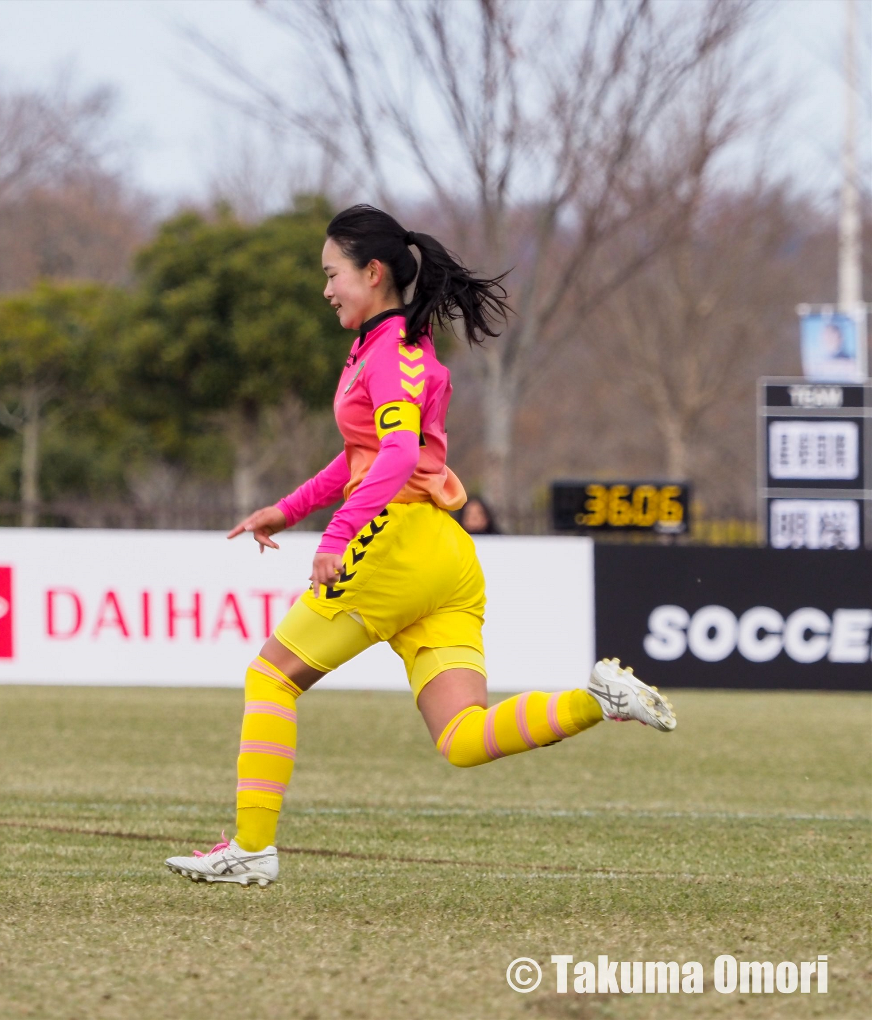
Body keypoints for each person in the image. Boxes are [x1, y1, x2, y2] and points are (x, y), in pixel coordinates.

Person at [165, 205, 675, 888]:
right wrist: (288, 511)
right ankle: (597, 700)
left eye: (332, 273)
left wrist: (340, 534)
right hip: (446, 556)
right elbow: (361, 456)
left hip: (396, 545)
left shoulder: (393, 351)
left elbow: (399, 453)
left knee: (271, 677)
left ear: (372, 272)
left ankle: (252, 849)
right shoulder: (392, 346)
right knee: (463, 737)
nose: (326, 289)